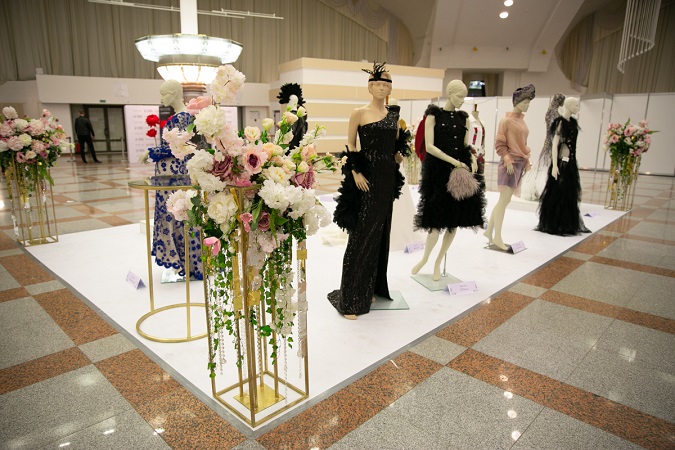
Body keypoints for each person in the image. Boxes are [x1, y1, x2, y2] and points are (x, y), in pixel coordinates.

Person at [328, 62, 403, 320]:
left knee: (379, 234)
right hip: (367, 178)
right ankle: (351, 299)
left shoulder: (394, 115)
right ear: (370, 87)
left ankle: (368, 287)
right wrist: (355, 172)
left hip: (387, 179)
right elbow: (351, 144)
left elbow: (395, 147)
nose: (381, 88)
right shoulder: (359, 113)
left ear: (390, 88)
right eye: (377, 84)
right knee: (361, 235)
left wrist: (398, 155)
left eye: (386, 85)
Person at [412, 80, 486, 280]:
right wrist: (454, 161)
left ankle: (438, 263)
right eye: (459, 96)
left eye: (464, 97)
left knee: (453, 222)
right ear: (450, 94)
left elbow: (465, 145)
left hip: (459, 174)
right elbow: (430, 146)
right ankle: (425, 259)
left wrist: (471, 158)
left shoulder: (464, 118)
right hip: (438, 173)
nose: (462, 101)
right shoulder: (433, 115)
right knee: (435, 223)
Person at [148, 79, 202, 280]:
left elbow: (176, 147)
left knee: (177, 216)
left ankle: (184, 262)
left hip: (175, 175)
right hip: (171, 175)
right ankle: (180, 260)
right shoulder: (181, 117)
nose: (162, 98)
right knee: (175, 216)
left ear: (174, 93)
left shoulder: (182, 118)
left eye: (164, 94)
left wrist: (151, 152)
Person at [484, 84, 535, 251]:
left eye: (529, 103)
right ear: (517, 101)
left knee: (504, 200)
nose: (527, 105)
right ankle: (497, 237)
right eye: (525, 102)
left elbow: (524, 144)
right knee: (504, 200)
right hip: (510, 165)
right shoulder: (505, 121)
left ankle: (489, 231)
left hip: (519, 163)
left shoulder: (522, 122)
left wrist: (526, 161)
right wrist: (507, 159)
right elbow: (500, 144)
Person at [536, 97, 591, 236]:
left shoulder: (573, 122)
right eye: (576, 105)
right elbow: (555, 144)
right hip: (562, 161)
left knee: (569, 191)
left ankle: (566, 223)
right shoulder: (560, 122)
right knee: (558, 191)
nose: (578, 108)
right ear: (568, 106)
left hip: (571, 161)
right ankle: (554, 223)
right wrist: (555, 165)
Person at [521, 93, 565, 200]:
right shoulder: (554, 113)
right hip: (551, 143)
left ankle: (542, 190)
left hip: (549, 142)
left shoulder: (550, 112)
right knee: (546, 166)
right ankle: (543, 190)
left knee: (543, 165)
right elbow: (554, 131)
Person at [277, 83, 308, 151]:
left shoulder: (293, 116)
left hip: (290, 148)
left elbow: (291, 132)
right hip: (296, 147)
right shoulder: (302, 118)